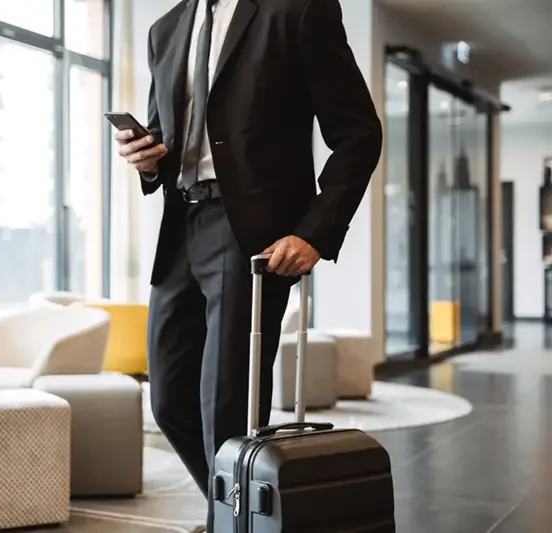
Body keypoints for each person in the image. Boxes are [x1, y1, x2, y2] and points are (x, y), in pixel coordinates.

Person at [115, 0, 381, 530]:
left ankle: (234, 524)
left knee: (227, 408)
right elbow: (165, 135)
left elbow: (358, 134)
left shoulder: (298, 11)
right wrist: (145, 156)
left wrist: (313, 232)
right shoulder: (164, 29)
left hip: (250, 237)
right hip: (180, 229)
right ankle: (240, 515)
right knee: (169, 401)